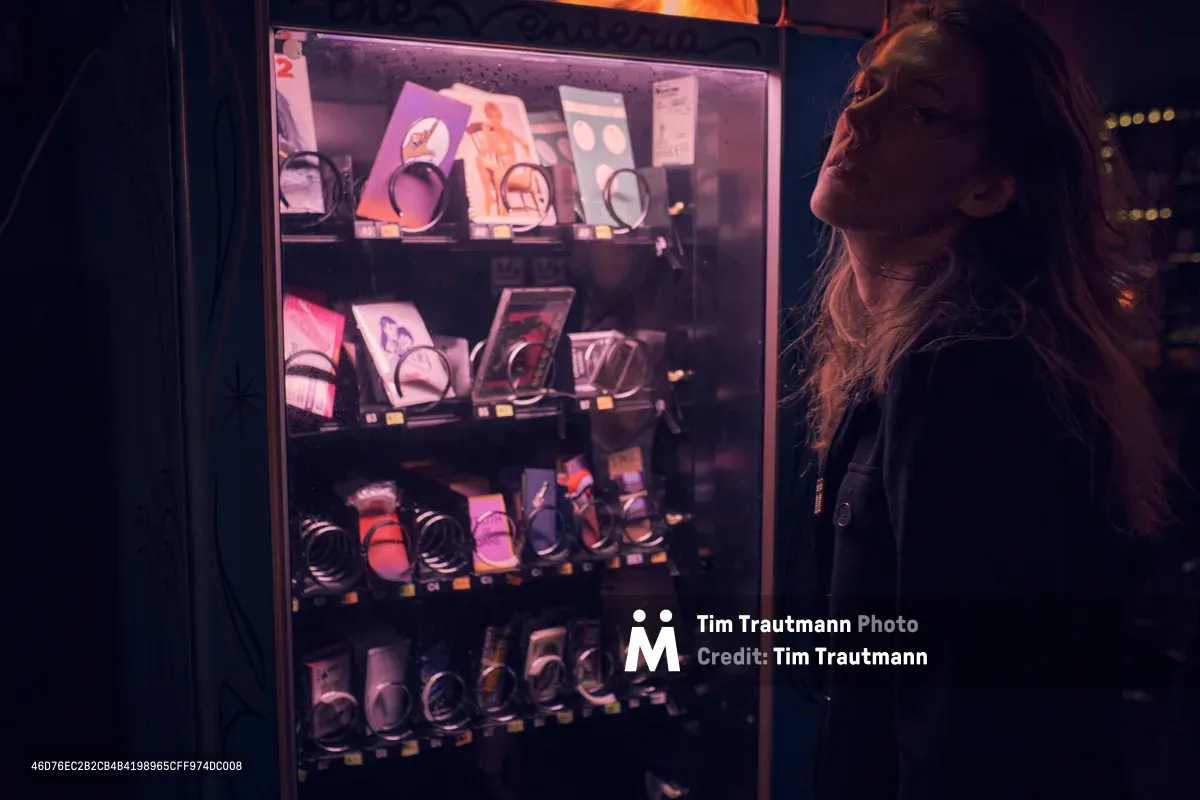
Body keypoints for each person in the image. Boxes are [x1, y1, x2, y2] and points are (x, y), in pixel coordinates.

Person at [800, 1, 1173, 798]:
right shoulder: (927, 353)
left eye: (921, 108)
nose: (859, 116)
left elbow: (969, 712)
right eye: (867, 87)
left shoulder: (966, 373)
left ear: (989, 187)